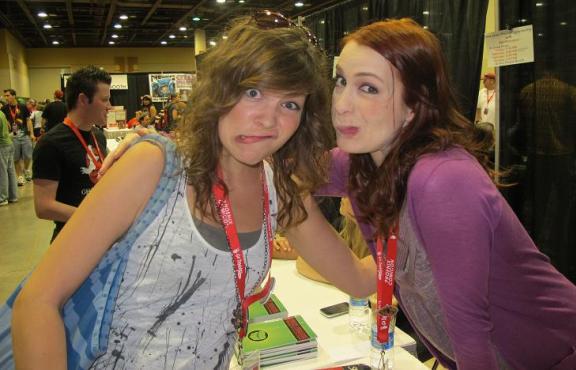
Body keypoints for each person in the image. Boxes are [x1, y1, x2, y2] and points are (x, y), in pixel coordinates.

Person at [12, 14, 374, 369]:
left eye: (289, 104)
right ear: (220, 89)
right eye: (253, 92)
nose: (268, 119)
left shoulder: (279, 187)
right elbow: (39, 301)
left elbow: (357, 279)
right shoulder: (155, 166)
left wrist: (415, 205)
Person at [318, 18, 576, 369]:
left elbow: (470, 328)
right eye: (342, 81)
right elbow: (281, 175)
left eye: (369, 88)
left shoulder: (442, 179)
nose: (342, 104)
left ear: (414, 105)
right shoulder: (362, 162)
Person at [32, 66, 110, 242]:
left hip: (101, 235)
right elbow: (44, 207)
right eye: (105, 100)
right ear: (83, 99)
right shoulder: (50, 144)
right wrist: (92, 219)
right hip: (71, 239)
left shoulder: (98, 136)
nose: (109, 107)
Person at [1, 89, 33, 185]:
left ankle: (27, 169)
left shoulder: (23, 107)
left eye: (8, 95)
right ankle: (19, 177)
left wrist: (31, 133)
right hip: (12, 136)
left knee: (27, 155)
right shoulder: (4, 109)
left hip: (24, 134)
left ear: (14, 96)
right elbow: (3, 120)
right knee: (16, 158)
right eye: (5, 96)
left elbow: (28, 120)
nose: (6, 98)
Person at [0, 105, 19, 206]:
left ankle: (2, 198)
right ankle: (13, 196)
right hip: (8, 144)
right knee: (10, 171)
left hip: (2, 146)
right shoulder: (2, 113)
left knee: (2, 172)